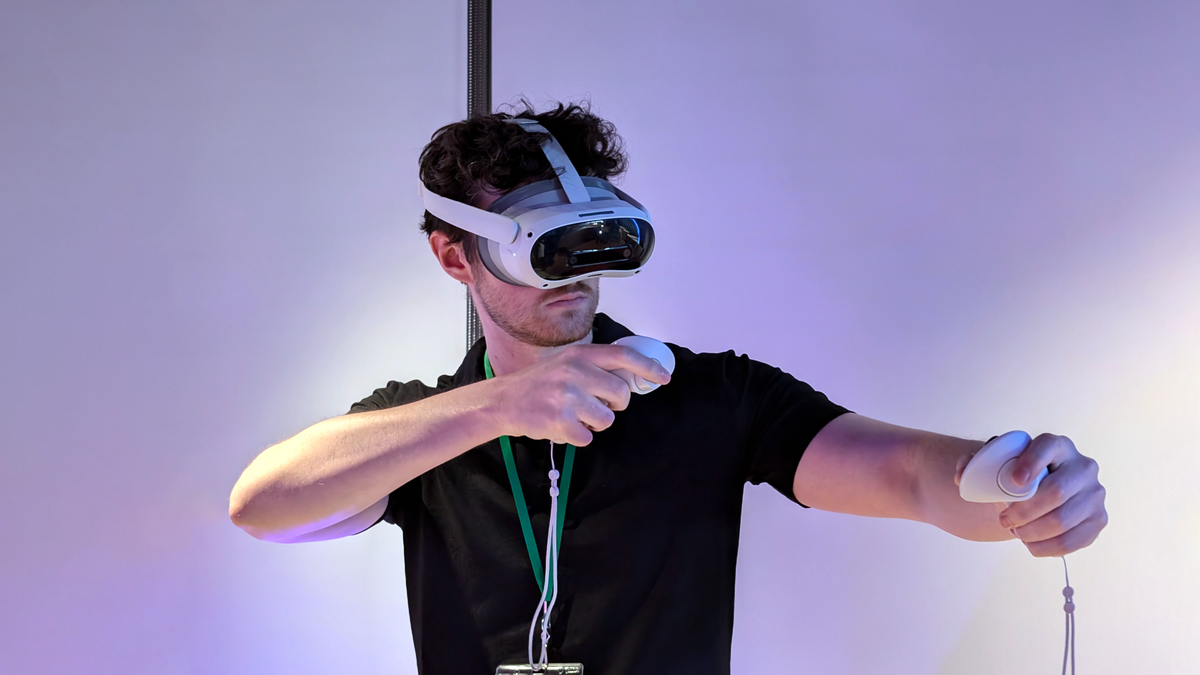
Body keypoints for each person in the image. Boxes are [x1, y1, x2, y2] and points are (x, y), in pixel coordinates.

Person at [228, 102, 1108, 674]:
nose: (574, 273)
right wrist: (493, 408)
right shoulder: (423, 426)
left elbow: (910, 476)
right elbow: (262, 505)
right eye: (541, 245)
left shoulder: (711, 396)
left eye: (590, 238)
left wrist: (1015, 488)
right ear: (455, 256)